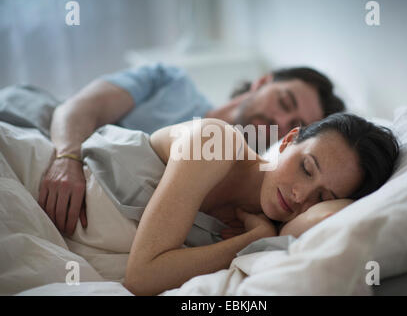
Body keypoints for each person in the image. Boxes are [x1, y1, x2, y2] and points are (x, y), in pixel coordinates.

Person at [39, 63, 345, 235]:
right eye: (283, 102)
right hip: (53, 138)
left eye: (293, 122)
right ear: (262, 82)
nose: (277, 121)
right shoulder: (171, 82)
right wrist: (67, 157)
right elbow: (78, 107)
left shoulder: (251, 195)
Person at [121, 112, 399, 295]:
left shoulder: (278, 223)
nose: (300, 196)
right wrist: (254, 239)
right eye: (306, 168)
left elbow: (330, 219)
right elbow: (141, 278)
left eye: (322, 197)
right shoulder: (216, 141)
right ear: (288, 140)